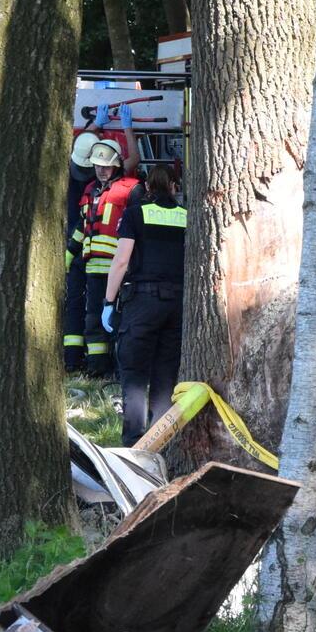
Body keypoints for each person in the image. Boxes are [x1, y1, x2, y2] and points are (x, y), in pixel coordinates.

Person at [103, 163, 186, 445]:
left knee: (135, 372)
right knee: (166, 373)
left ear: (147, 187)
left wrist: (107, 301)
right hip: (177, 303)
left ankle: (133, 442)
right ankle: (159, 442)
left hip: (143, 301)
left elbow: (122, 260)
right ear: (175, 186)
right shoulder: (187, 217)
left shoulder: (135, 214)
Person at [71, 140, 140, 376]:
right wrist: (69, 253)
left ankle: (122, 370)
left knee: (120, 319)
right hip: (93, 268)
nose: (101, 170)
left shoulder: (132, 189)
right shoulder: (90, 190)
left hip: (120, 268)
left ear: (117, 165)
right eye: (98, 166)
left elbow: (137, 230)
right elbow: (83, 226)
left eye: (106, 166)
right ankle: (97, 369)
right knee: (93, 319)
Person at [63, 129, 102, 371]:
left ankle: (72, 360)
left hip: (73, 249)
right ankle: (95, 362)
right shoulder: (97, 187)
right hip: (90, 251)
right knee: (93, 306)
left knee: (74, 305)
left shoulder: (65, 174)